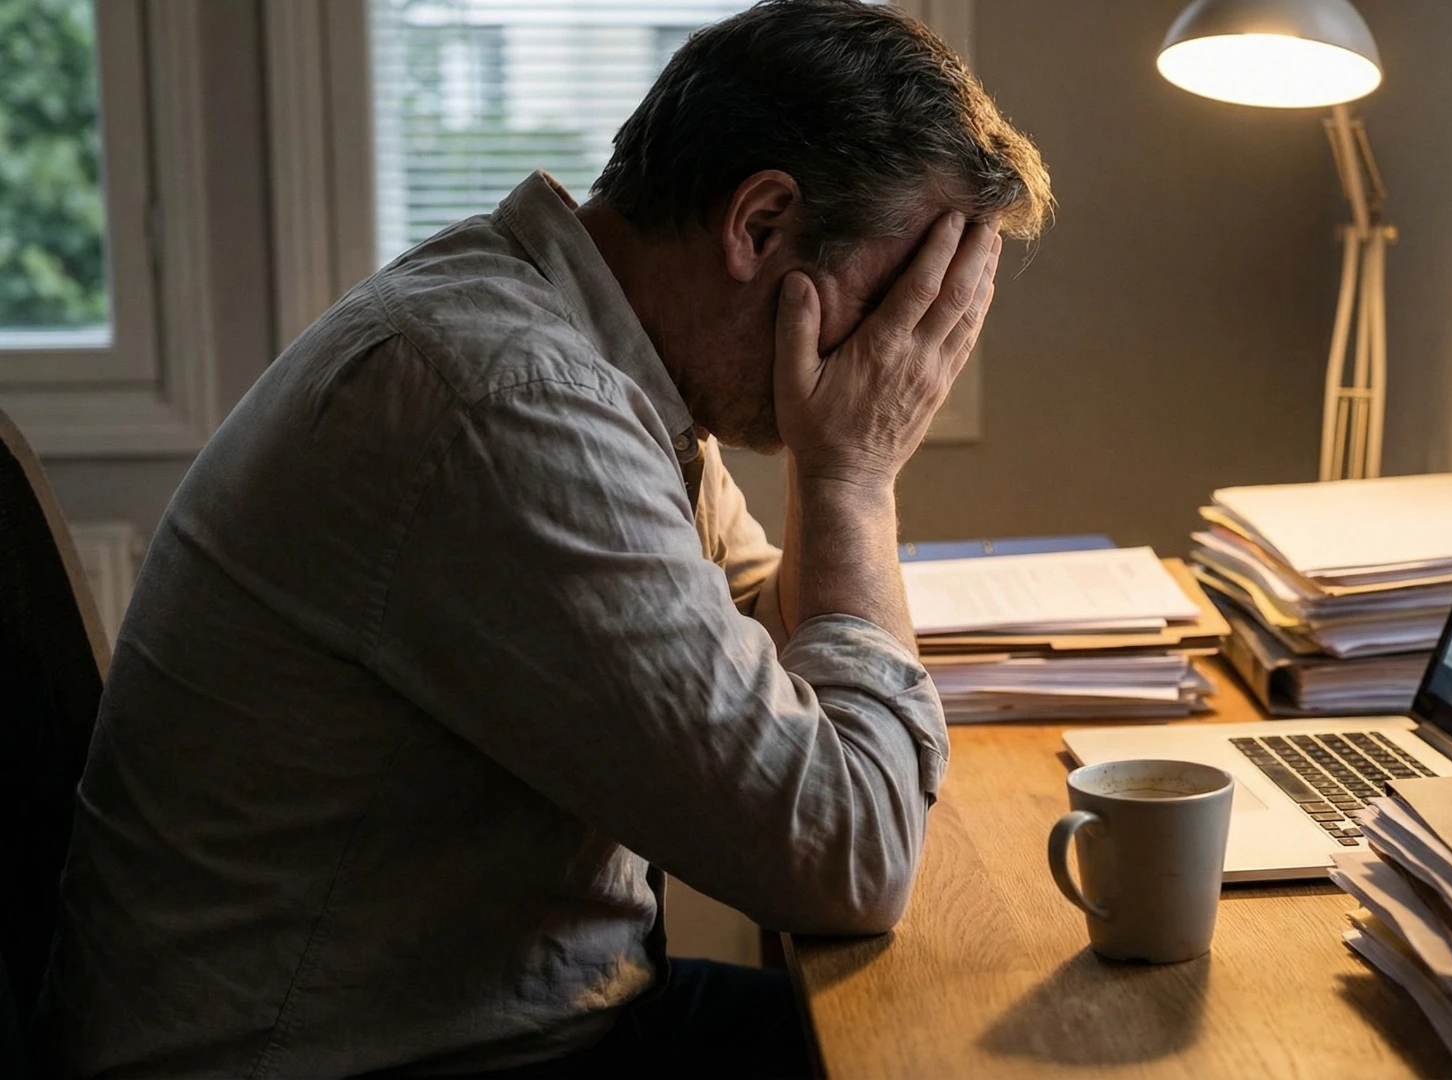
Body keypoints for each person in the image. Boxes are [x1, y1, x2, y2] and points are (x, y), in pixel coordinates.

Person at [45, 2, 1051, 1076]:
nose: (909, 352)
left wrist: (835, 459)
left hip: (474, 1019)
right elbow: (849, 855)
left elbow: (758, 644)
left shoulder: (590, 348)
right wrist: (851, 478)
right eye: (901, 296)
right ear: (759, 226)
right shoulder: (511, 401)